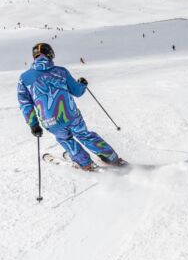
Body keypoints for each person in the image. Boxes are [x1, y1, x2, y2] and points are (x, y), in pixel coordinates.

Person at [17, 43, 126, 171]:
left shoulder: (24, 78)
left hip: (50, 121)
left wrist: (33, 124)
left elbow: (25, 103)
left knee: (66, 139)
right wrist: (82, 84)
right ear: (50, 54)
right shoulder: (61, 72)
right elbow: (77, 92)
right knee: (85, 135)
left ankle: (85, 163)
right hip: (71, 115)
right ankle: (112, 159)